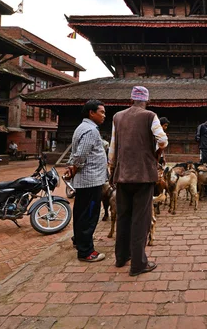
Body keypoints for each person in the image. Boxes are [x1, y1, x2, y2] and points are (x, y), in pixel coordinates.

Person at [109, 86, 168, 276]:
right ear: (146, 101)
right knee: (140, 219)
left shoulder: (117, 117)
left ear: (131, 100)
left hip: (122, 174)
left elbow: (112, 146)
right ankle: (138, 264)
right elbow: (163, 139)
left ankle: (121, 257)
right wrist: (156, 152)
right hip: (143, 175)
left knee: (123, 216)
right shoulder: (150, 116)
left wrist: (112, 169)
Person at [65, 99, 108, 262]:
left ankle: (79, 241)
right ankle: (86, 251)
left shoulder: (81, 128)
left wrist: (71, 167)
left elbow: (75, 152)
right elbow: (81, 155)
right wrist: (74, 168)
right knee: (89, 215)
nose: (104, 115)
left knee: (81, 212)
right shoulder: (91, 130)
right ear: (91, 112)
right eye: (101, 112)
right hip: (91, 180)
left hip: (85, 180)